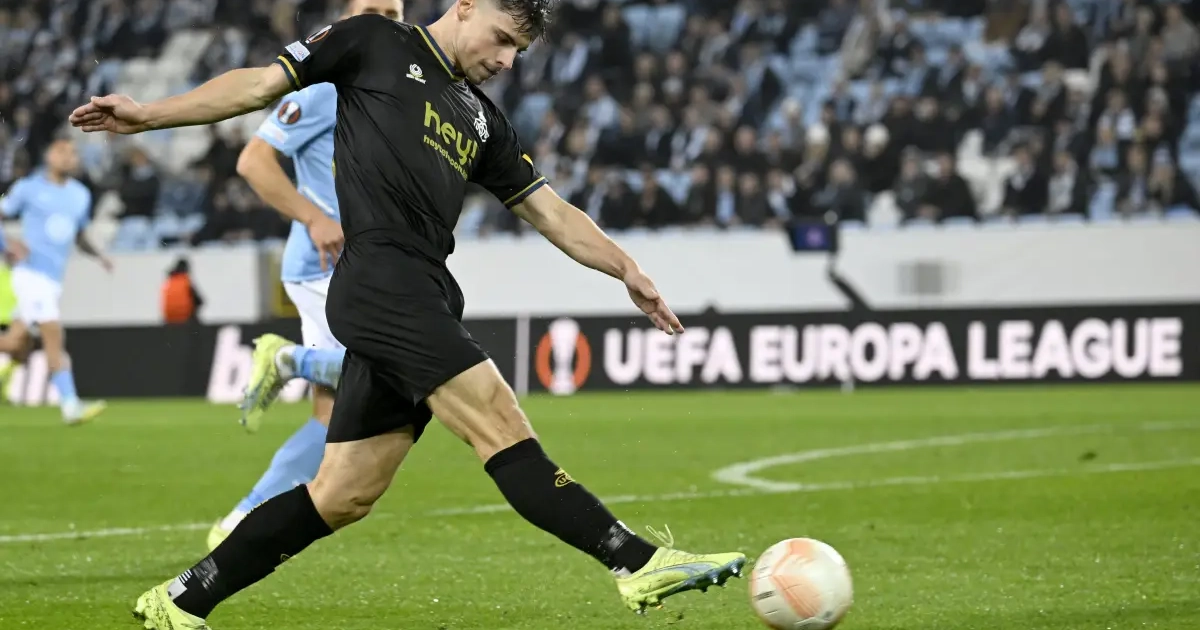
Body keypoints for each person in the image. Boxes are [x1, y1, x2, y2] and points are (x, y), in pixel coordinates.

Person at [70, 2, 745, 628]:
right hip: (381, 280)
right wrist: (149, 115)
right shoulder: (374, 41)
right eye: (502, 39)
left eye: (519, 51)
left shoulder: (483, 120)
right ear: (466, 6)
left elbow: (550, 211)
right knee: (499, 421)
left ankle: (180, 600)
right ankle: (635, 561)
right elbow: (257, 86)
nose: (507, 60)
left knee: (342, 494)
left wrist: (626, 269)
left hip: (424, 287)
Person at [206, 0, 405, 555]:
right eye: (370, 11)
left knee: (329, 418)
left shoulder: (398, 91)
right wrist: (314, 217)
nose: (382, 22)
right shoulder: (322, 90)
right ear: (345, 20)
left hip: (364, 264)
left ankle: (241, 518)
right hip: (323, 264)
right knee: (390, 371)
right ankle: (287, 359)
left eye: (393, 12)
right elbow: (254, 161)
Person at [0, 139, 111, 423]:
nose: (68, 157)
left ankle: (6, 379)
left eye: (73, 153)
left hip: (52, 279)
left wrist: (99, 256)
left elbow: (79, 236)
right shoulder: (27, 188)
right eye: (62, 151)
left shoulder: (80, 195)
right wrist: (6, 244)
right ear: (48, 156)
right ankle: (70, 406)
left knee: (16, 343)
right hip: (30, 274)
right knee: (54, 336)